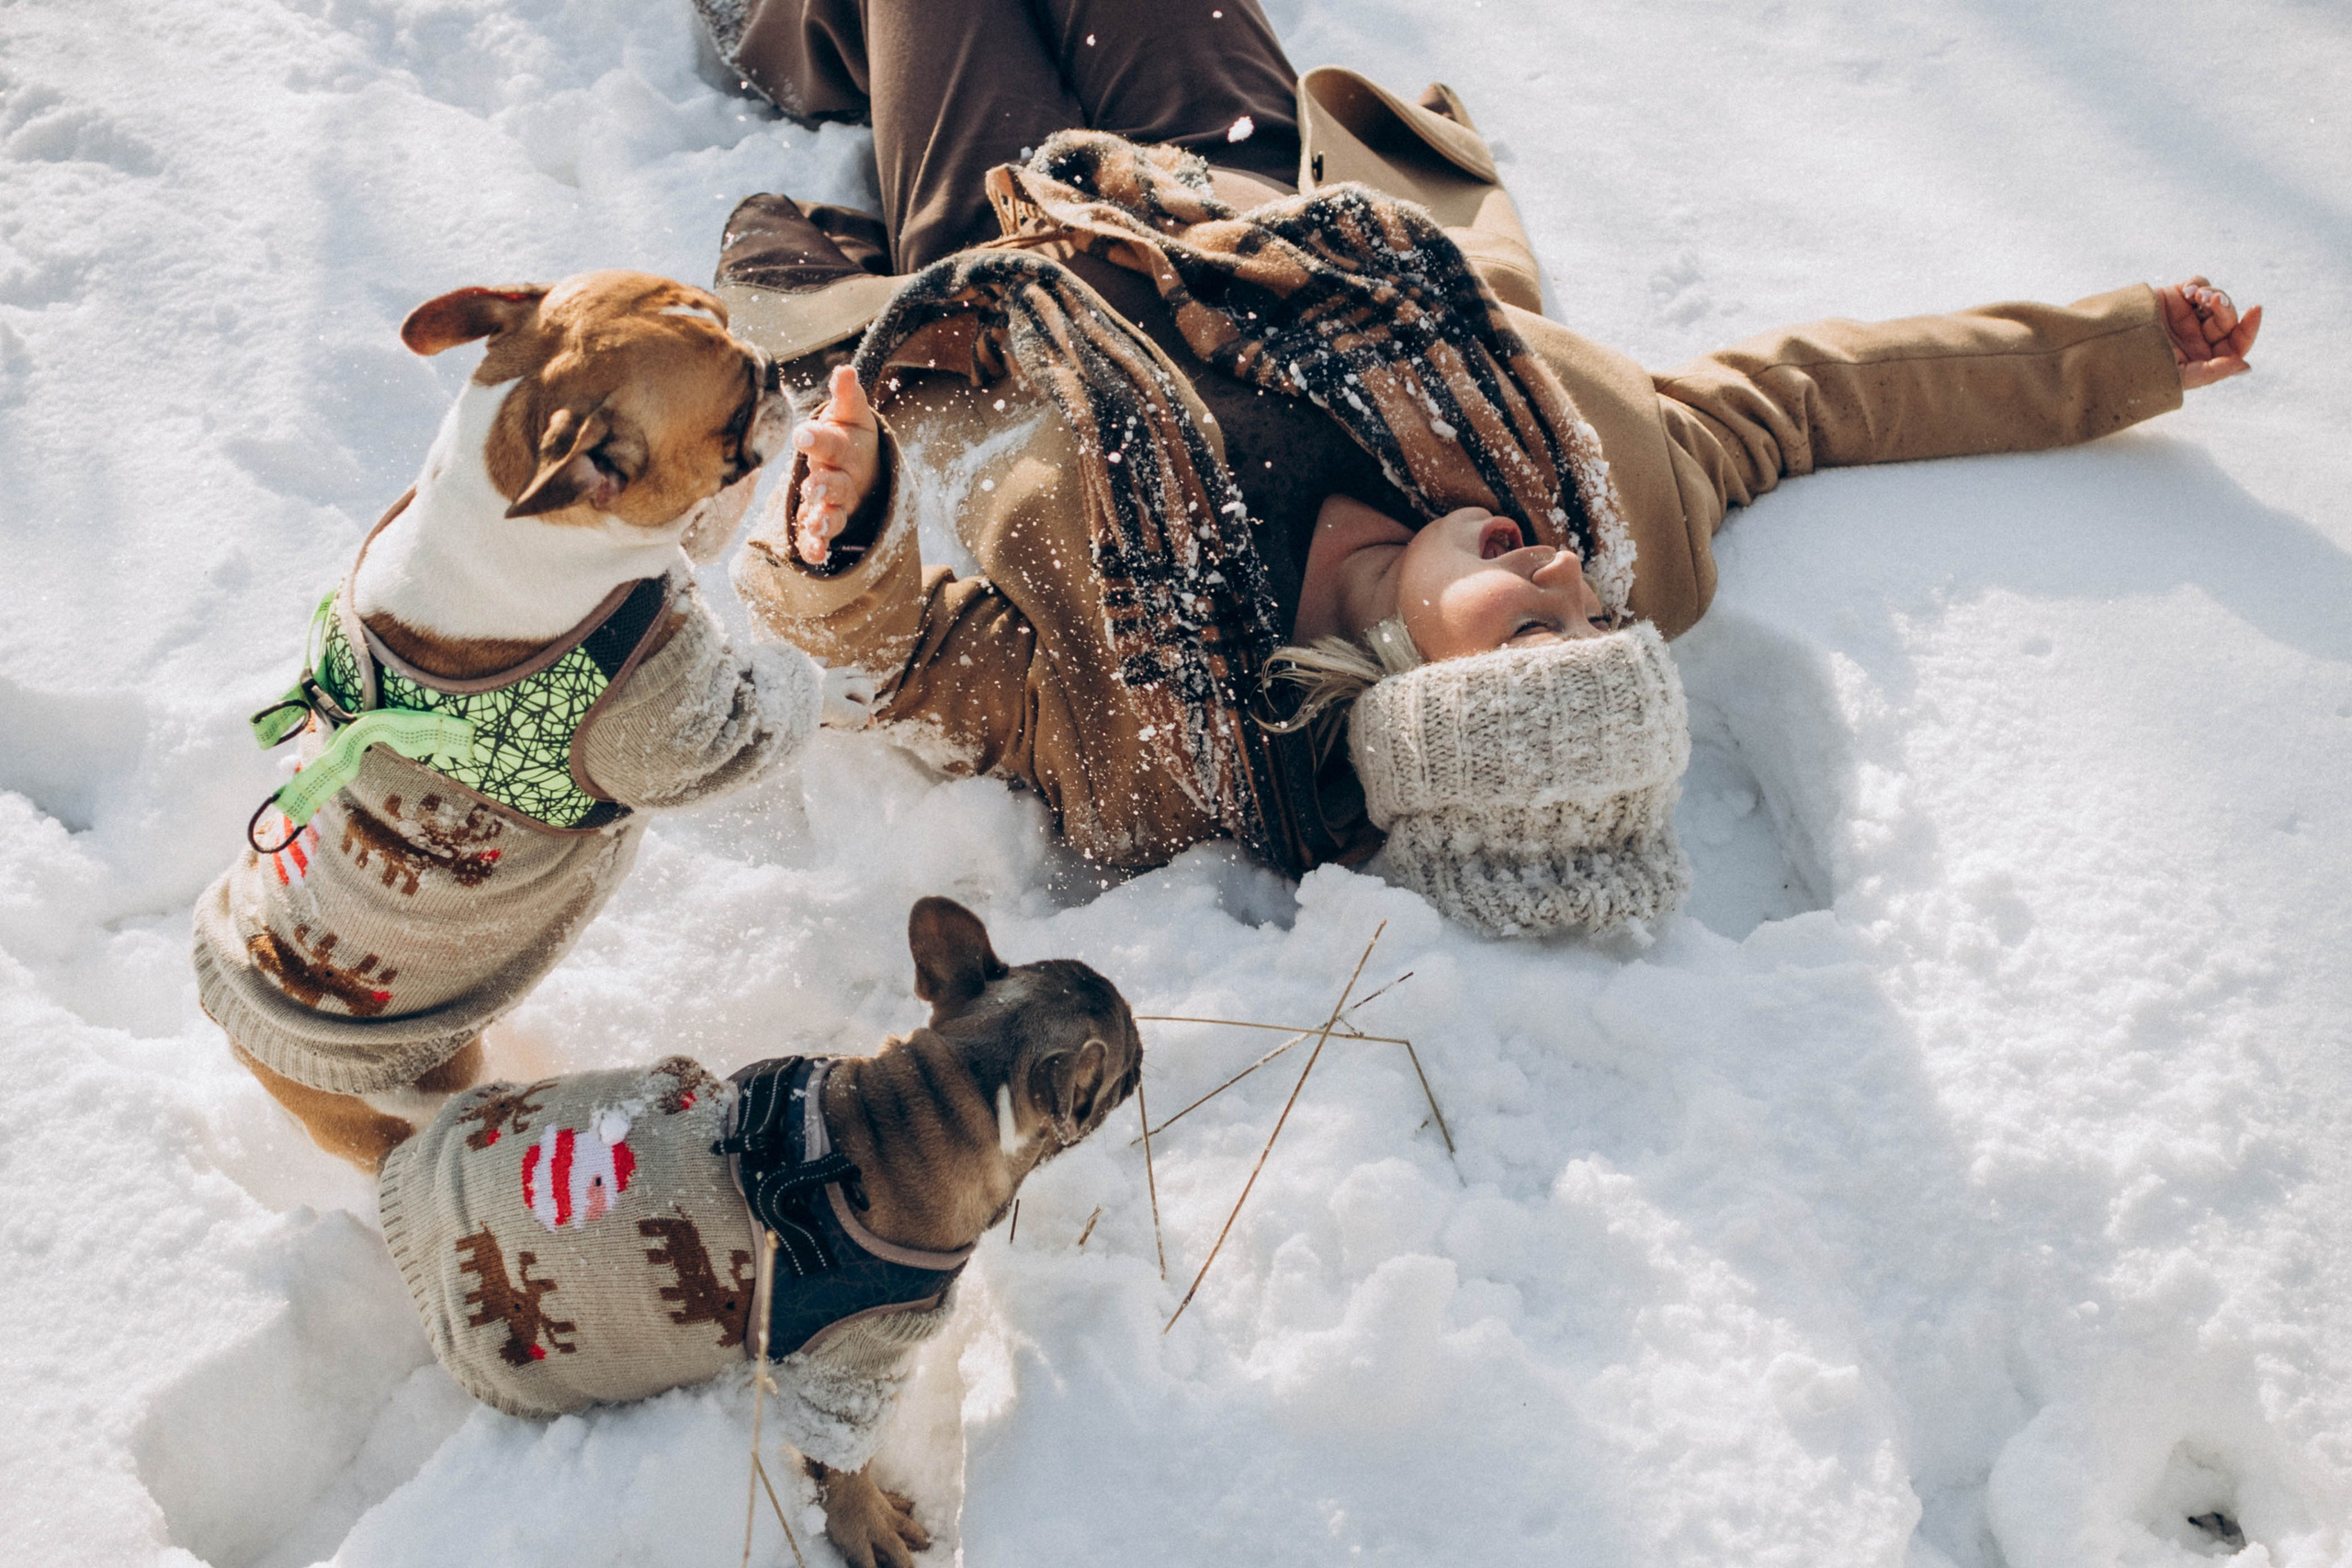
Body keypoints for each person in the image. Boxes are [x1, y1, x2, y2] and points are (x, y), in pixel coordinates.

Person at [696, 0, 2261, 939]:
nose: (1567, 571)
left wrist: (845, 543)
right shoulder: (1604, 486)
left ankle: (778, 23)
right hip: (1247, 192)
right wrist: (2126, 346)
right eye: (1594, 615)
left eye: (1527, 624)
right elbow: (1814, 399)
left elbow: (917, 660)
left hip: (1015, 266)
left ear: (1408, 690)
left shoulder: (1170, 739)